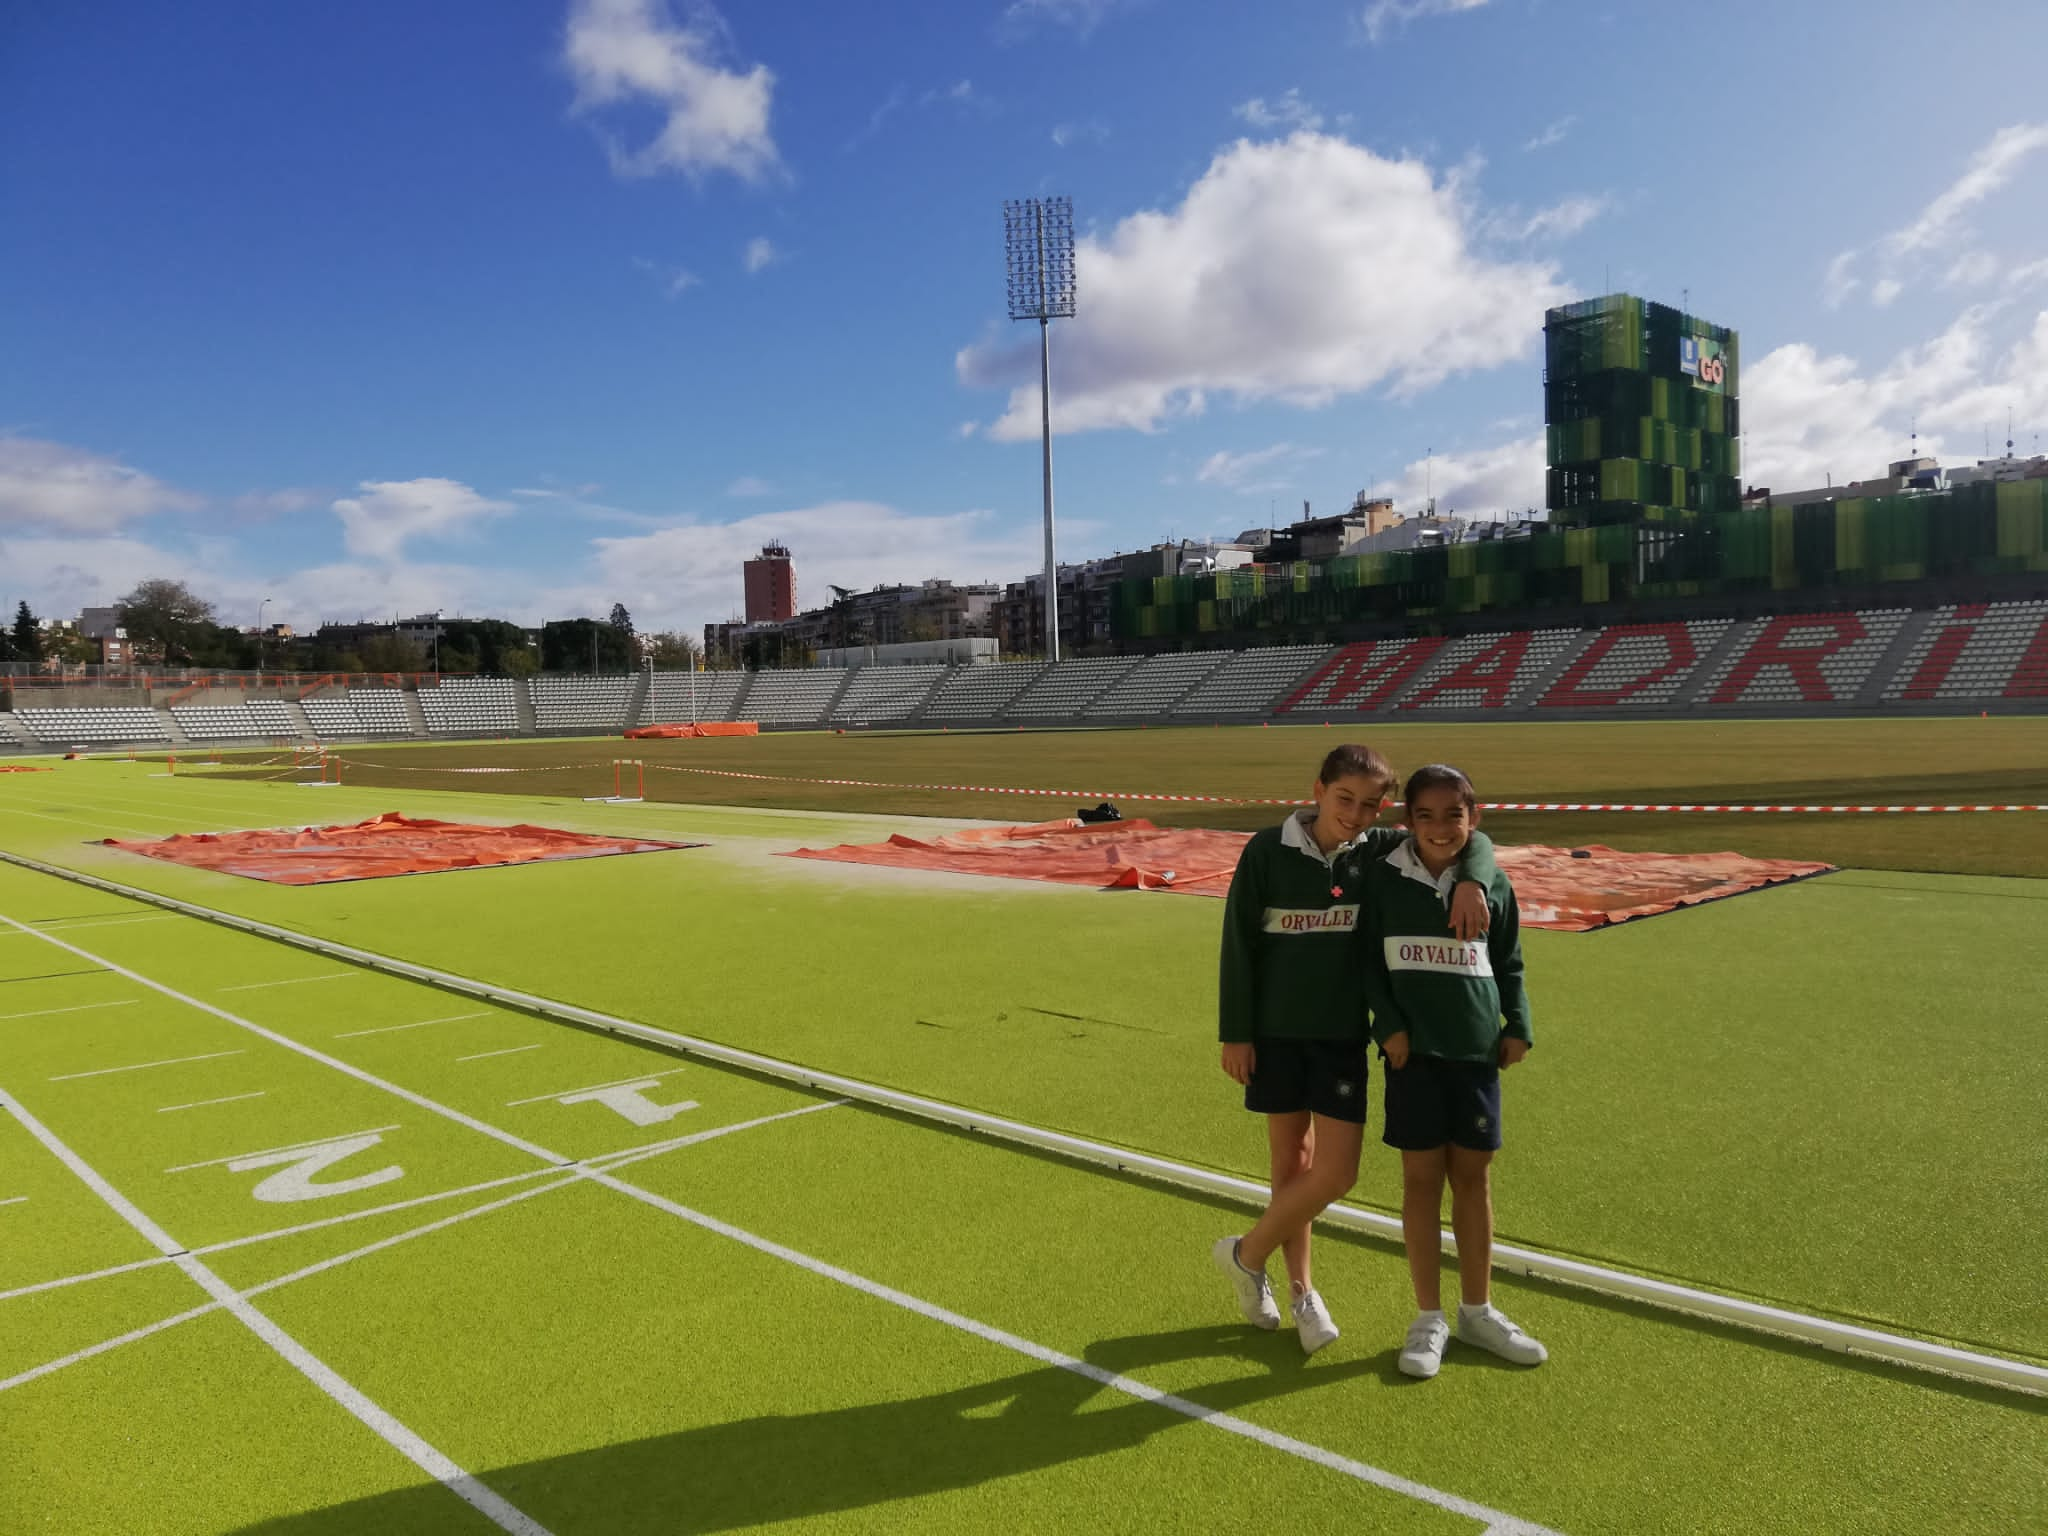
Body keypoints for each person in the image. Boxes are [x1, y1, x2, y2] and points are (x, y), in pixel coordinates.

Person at [1213, 743, 1496, 1355]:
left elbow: (1463, 834)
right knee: (1290, 1167)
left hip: (1342, 1034)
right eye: (1345, 799)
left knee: (1335, 1173)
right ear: (1317, 790)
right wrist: (1235, 1033)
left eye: (1372, 805)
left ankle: (1245, 1254)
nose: (1357, 813)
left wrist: (1473, 877)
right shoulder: (1266, 850)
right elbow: (1238, 944)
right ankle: (1301, 1292)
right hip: (1273, 1036)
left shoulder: (1376, 853)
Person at [1359, 762, 1544, 1380]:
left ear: (1475, 819)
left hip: (1474, 1054)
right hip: (1413, 1057)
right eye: (1425, 815)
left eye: (1453, 816)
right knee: (1419, 1182)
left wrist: (1516, 1024)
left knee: (1472, 1180)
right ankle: (1428, 1317)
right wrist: (1387, 1026)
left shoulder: (1490, 882)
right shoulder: (1383, 881)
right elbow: (1366, 966)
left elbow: (1510, 960)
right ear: (1406, 821)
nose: (1440, 828)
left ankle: (1477, 1310)